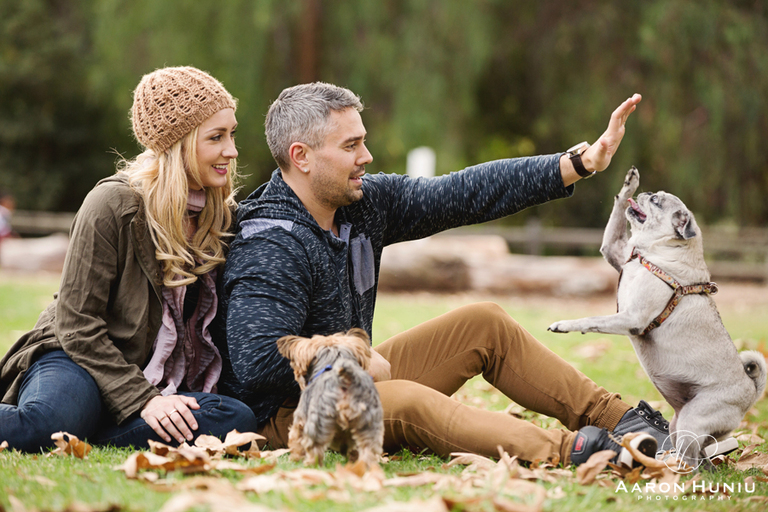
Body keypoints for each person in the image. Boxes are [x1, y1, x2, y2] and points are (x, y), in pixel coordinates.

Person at [215, 82, 669, 467]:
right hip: (287, 415)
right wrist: (351, 358)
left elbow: (462, 192)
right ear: (302, 156)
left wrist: (578, 163)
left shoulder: (363, 205)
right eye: (350, 146)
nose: (366, 156)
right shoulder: (269, 241)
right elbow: (257, 361)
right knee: (412, 402)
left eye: (362, 141)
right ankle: (584, 453)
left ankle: (624, 422)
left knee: (484, 323)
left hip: (352, 379)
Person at [0, 66, 258, 453]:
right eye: (216, 137)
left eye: (232, 134)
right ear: (179, 143)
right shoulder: (113, 204)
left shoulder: (220, 215)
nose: (232, 150)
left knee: (233, 419)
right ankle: (82, 418)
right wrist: (144, 400)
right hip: (78, 356)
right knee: (46, 426)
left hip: (148, 377)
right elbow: (77, 325)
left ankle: (93, 427)